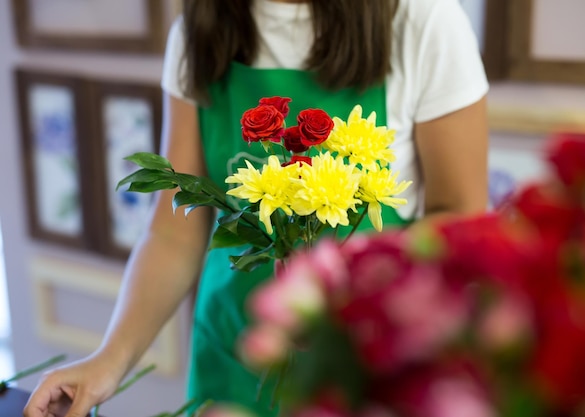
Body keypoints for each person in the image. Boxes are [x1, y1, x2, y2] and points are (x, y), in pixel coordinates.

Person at [24, 0, 489, 416]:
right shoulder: (197, 32)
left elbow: (460, 218)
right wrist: (109, 360)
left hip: (363, 364)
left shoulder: (424, 21)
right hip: (233, 358)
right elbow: (172, 232)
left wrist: (357, 294)